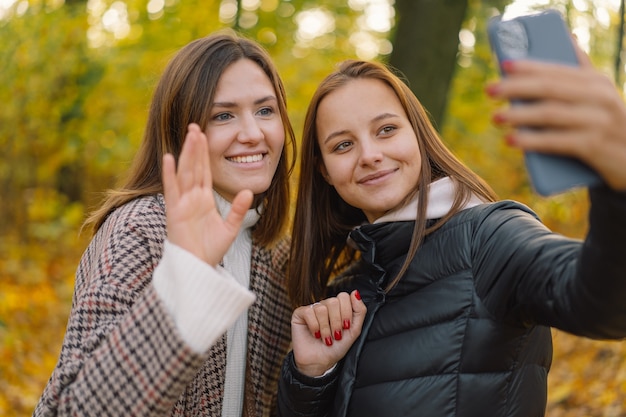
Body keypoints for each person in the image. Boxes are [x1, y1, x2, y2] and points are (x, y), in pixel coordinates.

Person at [277, 43, 626, 416]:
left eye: (387, 129)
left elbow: (603, 305)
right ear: (325, 170)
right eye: (343, 144)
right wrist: (311, 376)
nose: (369, 155)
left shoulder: (490, 237)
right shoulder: (341, 294)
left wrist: (618, 187)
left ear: (419, 135)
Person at [34, 30, 297, 417]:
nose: (253, 133)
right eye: (223, 115)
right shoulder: (140, 231)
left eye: (265, 110)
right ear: (179, 131)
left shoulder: (272, 251)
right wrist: (186, 278)